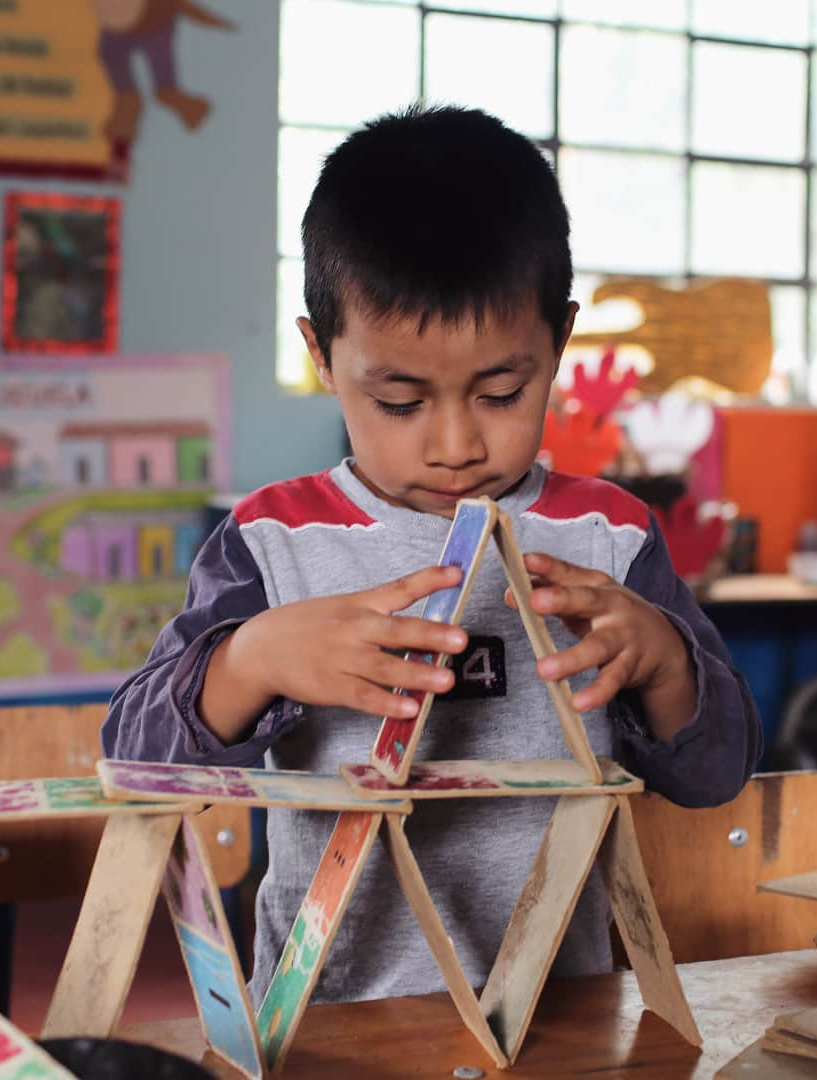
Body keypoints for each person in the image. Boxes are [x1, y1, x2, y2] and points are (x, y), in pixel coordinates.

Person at [103, 104, 761, 1005]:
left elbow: (716, 774)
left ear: (560, 342)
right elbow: (132, 760)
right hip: (330, 1024)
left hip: (557, 1020)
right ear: (322, 357)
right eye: (401, 403)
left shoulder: (611, 537)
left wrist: (664, 662)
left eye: (501, 391)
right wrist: (251, 661)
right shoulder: (273, 541)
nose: (455, 445)